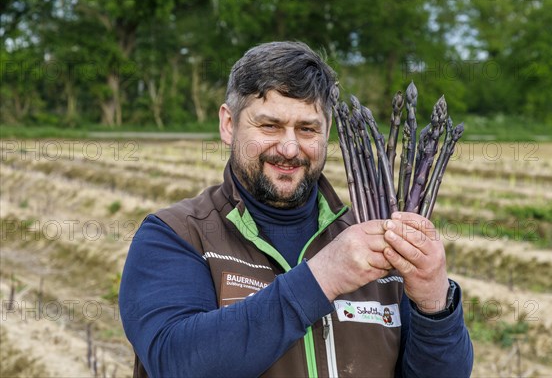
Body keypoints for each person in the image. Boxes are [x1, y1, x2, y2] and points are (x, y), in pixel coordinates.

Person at [119, 41, 473, 377]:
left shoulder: (372, 238)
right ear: (229, 124)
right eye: (270, 125)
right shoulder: (177, 234)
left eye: (307, 129)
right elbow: (177, 363)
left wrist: (434, 305)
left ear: (327, 132)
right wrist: (323, 276)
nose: (289, 148)